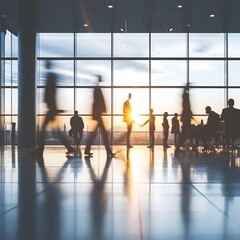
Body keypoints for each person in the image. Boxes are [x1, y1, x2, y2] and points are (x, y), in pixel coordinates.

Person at [36, 61, 74, 156]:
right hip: (52, 108)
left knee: (44, 129)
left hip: (51, 109)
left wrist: (52, 107)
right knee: (58, 131)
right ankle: (69, 148)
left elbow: (51, 93)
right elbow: (53, 93)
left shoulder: (51, 77)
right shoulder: (51, 76)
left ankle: (40, 151)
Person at [84, 75, 115, 157]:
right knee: (103, 134)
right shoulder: (97, 89)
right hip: (98, 114)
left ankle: (88, 149)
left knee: (96, 133)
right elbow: (98, 101)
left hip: (97, 114)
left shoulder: (96, 89)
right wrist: (102, 110)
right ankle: (108, 151)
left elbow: (96, 101)